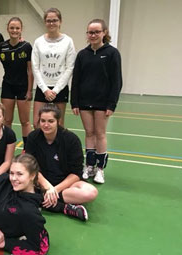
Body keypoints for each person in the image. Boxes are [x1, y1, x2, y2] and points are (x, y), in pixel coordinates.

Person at [71, 19, 122, 184]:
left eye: (96, 32)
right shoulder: (82, 55)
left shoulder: (112, 53)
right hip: (85, 102)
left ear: (104, 33)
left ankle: (100, 169)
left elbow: (117, 81)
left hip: (102, 102)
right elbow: (76, 80)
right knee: (89, 133)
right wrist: (75, 102)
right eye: (90, 32)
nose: (93, 35)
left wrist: (111, 103)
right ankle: (89, 165)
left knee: (100, 134)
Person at [26, 104, 98, 221]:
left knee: (90, 192)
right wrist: (47, 186)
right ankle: (64, 207)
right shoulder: (33, 138)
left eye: (50, 121)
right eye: (43, 121)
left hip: (65, 185)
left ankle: (41, 200)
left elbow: (76, 173)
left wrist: (55, 190)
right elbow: (30, 167)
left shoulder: (71, 140)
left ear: (58, 121)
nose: (46, 124)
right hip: (39, 184)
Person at [31, 8, 76, 128]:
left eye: (55, 20)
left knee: (59, 124)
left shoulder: (68, 41)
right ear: (45, 22)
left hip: (60, 88)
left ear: (60, 21)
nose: (51, 23)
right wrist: (45, 89)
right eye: (48, 20)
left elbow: (70, 67)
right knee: (37, 123)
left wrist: (55, 90)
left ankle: (57, 147)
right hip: (43, 87)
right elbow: (35, 67)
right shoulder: (38, 42)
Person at [0, 17, 33, 150]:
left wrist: (29, 90)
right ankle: (7, 147)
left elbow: (30, 70)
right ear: (8, 29)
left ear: (21, 30)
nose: (14, 30)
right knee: (7, 120)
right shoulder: (2, 46)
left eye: (17, 28)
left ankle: (27, 148)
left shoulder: (26, 46)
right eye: (12, 28)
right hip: (7, 86)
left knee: (25, 121)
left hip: (23, 87)